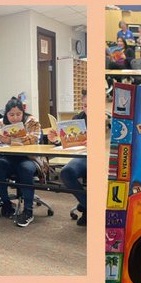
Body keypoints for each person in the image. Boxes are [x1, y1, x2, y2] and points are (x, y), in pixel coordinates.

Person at [0, 98, 43, 228]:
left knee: (25, 169)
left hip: (28, 158)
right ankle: (6, 204)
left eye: (18, 114)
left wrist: (9, 140)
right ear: (6, 114)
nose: (15, 118)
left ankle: (28, 211)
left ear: (23, 113)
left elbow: (33, 138)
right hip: (7, 157)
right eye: (11, 115)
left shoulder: (32, 121)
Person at [57, 90, 87, 226]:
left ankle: (86, 209)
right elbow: (67, 141)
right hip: (82, 156)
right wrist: (56, 139)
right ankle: (88, 206)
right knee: (66, 173)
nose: (88, 109)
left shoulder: (107, 120)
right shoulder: (78, 119)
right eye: (85, 106)